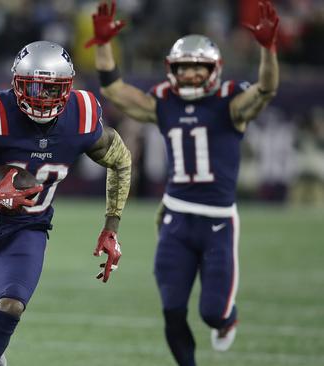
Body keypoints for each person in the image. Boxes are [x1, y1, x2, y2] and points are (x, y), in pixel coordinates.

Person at [88, 1, 279, 364]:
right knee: (172, 309)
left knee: (213, 312)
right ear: (172, 70)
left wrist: (268, 51)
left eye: (198, 68)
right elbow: (115, 91)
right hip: (175, 218)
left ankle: (227, 319)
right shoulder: (166, 102)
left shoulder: (230, 104)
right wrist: (102, 44)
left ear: (214, 70)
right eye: (184, 68)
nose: (191, 75)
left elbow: (266, 90)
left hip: (218, 221)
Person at [0, 40, 132, 366]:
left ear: (69, 87)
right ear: (16, 82)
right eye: (34, 86)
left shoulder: (82, 117)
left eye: (52, 88)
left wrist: (111, 226)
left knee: (11, 306)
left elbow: (121, 160)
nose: (42, 96)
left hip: (27, 225)